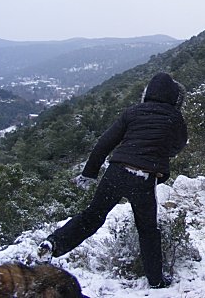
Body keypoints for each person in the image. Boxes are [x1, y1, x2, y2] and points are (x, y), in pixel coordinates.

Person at [37, 72, 188, 289]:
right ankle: (155, 280)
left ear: (148, 93)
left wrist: (89, 174)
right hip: (143, 178)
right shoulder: (175, 118)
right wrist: (160, 152)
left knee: (92, 216)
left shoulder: (132, 113)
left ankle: (53, 244)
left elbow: (104, 144)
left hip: (115, 173)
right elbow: (178, 146)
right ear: (174, 95)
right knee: (147, 230)